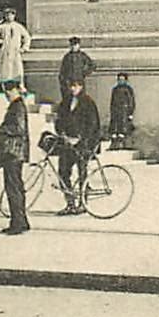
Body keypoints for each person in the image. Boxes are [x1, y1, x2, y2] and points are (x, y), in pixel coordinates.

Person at [53, 77, 102, 215]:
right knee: (62, 172)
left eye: (76, 86)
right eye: (71, 86)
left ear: (81, 86)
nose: (73, 89)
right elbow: (59, 120)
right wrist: (62, 133)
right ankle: (70, 203)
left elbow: (92, 125)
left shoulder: (88, 102)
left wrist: (81, 139)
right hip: (68, 144)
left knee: (82, 174)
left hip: (83, 145)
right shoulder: (65, 102)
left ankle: (83, 203)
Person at [0, 79, 32, 235]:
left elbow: (17, 127)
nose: (7, 95)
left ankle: (17, 222)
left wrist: (0, 130)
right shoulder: (18, 105)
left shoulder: (17, 106)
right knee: (16, 186)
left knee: (13, 187)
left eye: (8, 92)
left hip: (13, 152)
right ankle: (21, 221)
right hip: (17, 152)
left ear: (15, 91)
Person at [0, 7, 31, 89]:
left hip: (15, 50)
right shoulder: (1, 27)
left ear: (14, 16)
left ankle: (20, 85)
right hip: (5, 51)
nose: (9, 17)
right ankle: (5, 86)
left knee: (17, 68)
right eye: (7, 15)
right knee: (5, 69)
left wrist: (24, 48)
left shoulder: (18, 27)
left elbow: (27, 37)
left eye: (11, 15)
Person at [107, 73, 135, 151]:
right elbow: (112, 102)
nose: (121, 81)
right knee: (114, 128)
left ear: (126, 80)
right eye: (119, 80)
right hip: (116, 111)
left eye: (122, 80)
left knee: (124, 128)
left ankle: (123, 144)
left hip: (124, 112)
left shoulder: (128, 90)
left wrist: (130, 113)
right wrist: (112, 111)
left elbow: (131, 101)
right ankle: (114, 144)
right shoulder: (115, 89)